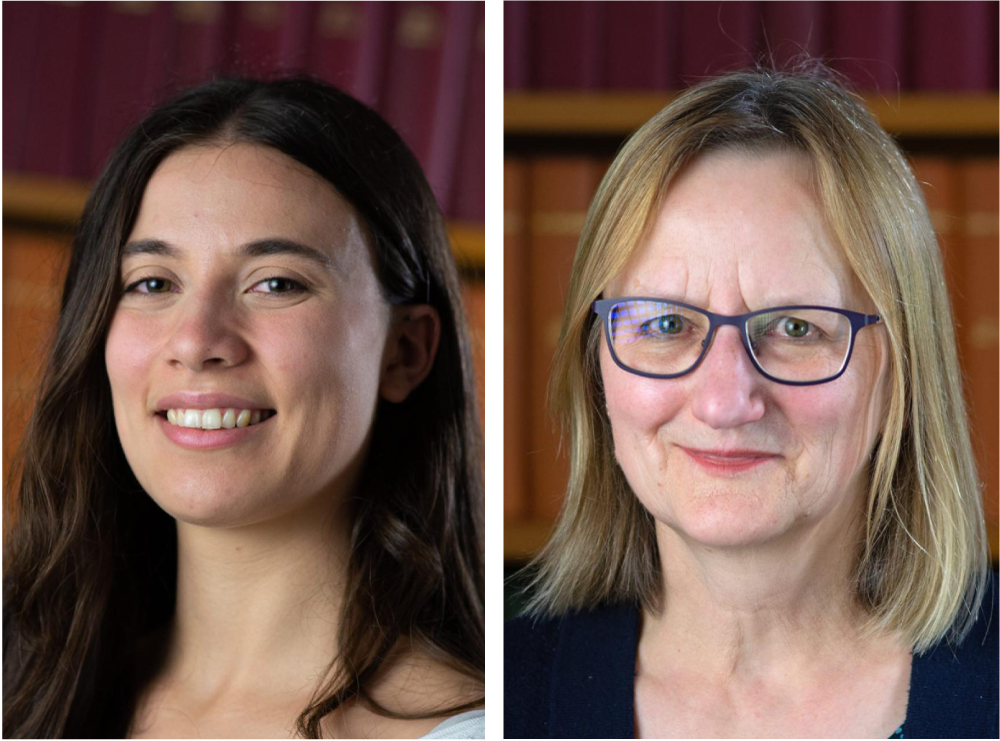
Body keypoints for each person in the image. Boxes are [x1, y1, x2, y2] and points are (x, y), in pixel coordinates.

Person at [505, 65, 996, 739]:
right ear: (597, 373)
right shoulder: (494, 689)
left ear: (901, 372)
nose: (725, 401)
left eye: (797, 328)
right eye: (666, 324)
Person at [3, 75, 484, 739]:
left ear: (405, 352)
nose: (197, 340)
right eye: (153, 282)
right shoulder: (26, 690)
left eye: (276, 282)